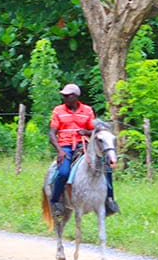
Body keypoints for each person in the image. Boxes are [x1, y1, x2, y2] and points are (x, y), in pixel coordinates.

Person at [48, 83, 120, 220]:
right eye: (63, 96)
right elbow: (52, 133)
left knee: (107, 168)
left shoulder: (87, 110)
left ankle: (109, 200)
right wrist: (59, 150)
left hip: (84, 145)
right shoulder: (58, 110)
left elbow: (94, 130)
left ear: (75, 97)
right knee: (63, 172)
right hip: (66, 146)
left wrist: (86, 132)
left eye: (67, 96)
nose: (64, 98)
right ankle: (56, 201)